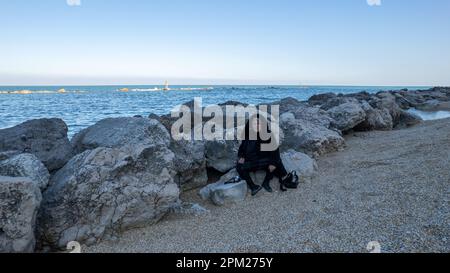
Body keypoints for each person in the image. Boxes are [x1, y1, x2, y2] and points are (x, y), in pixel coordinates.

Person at [236, 114, 288, 196]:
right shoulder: (247, 135)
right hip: (253, 161)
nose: (256, 125)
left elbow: (275, 150)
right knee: (239, 166)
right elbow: (241, 149)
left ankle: (266, 182)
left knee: (276, 161)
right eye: (254, 123)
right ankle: (253, 187)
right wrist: (242, 156)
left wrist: (273, 163)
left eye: (258, 123)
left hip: (265, 161)